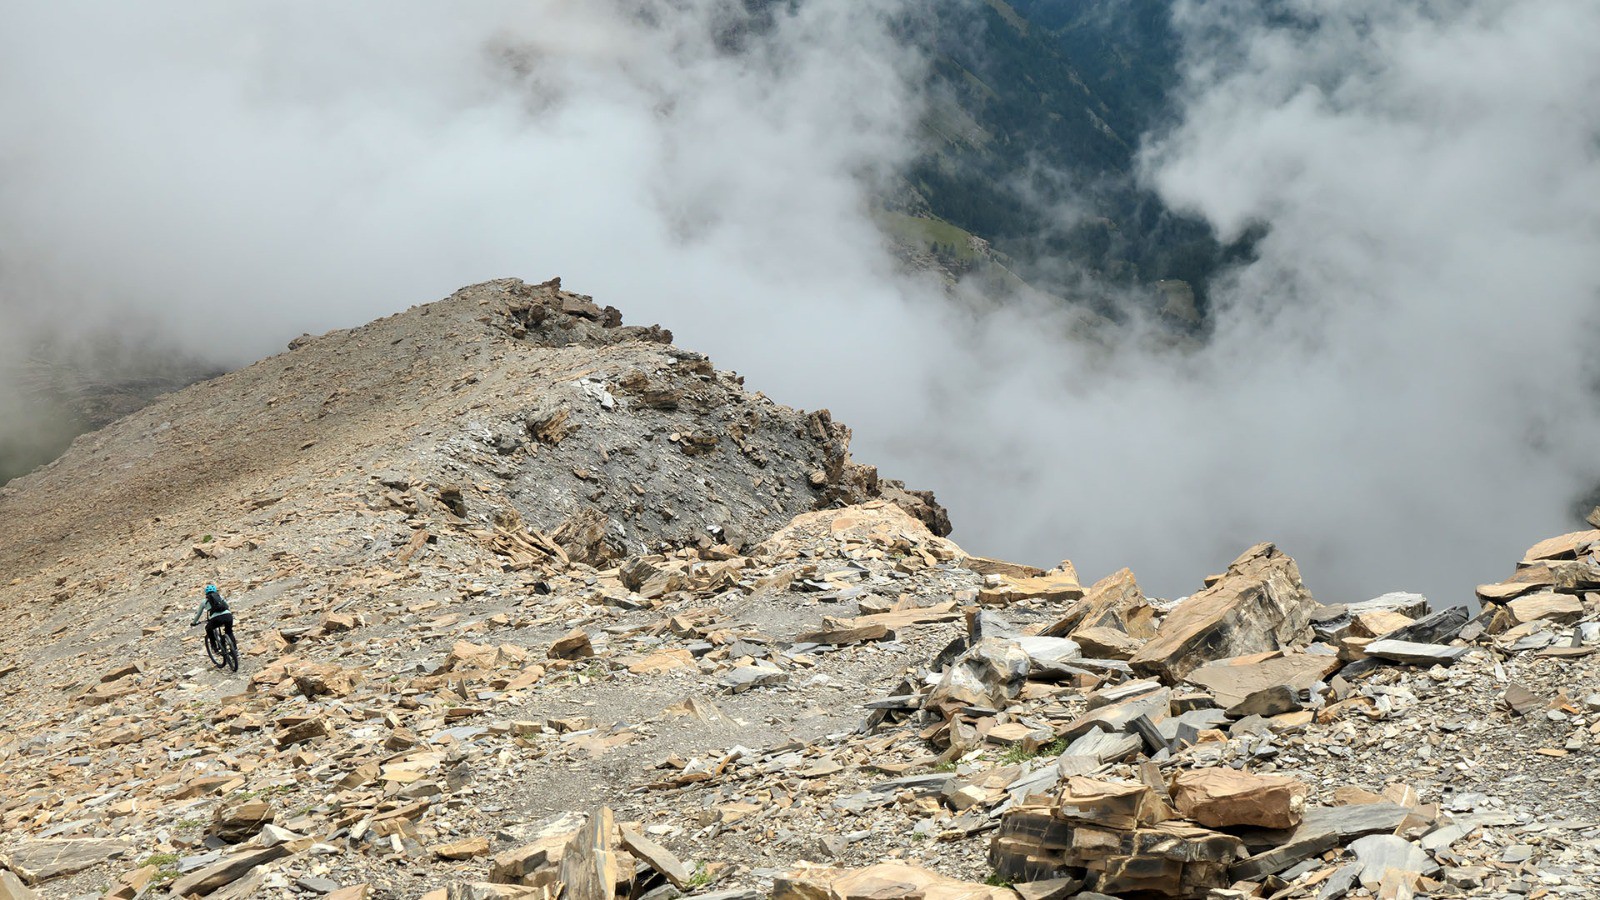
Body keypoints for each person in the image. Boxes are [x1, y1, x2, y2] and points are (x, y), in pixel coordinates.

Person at [191, 584, 235, 649]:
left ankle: (214, 646)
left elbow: (198, 614)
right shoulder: (220, 597)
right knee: (229, 631)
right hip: (228, 616)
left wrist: (194, 623)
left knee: (208, 628)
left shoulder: (204, 602)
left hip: (216, 618)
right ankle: (235, 650)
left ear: (206, 593)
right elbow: (227, 606)